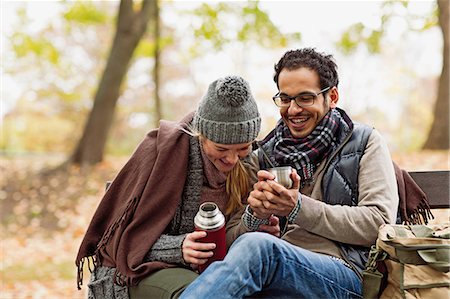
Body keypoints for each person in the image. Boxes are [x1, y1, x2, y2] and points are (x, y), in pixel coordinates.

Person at [180, 48, 400, 299]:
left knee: (260, 249)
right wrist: (255, 216)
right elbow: (231, 243)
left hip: (347, 275)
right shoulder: (263, 155)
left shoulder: (364, 142)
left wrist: (297, 208)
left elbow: (380, 223)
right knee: (256, 252)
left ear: (333, 96)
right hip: (279, 274)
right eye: (285, 99)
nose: (293, 109)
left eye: (305, 98)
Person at [75, 75, 276, 299]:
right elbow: (120, 238)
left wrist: (256, 220)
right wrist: (178, 248)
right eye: (221, 149)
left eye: (242, 148)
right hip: (137, 270)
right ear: (201, 136)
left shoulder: (249, 167)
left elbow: (225, 240)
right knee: (203, 291)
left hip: (210, 268)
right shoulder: (160, 152)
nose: (232, 159)